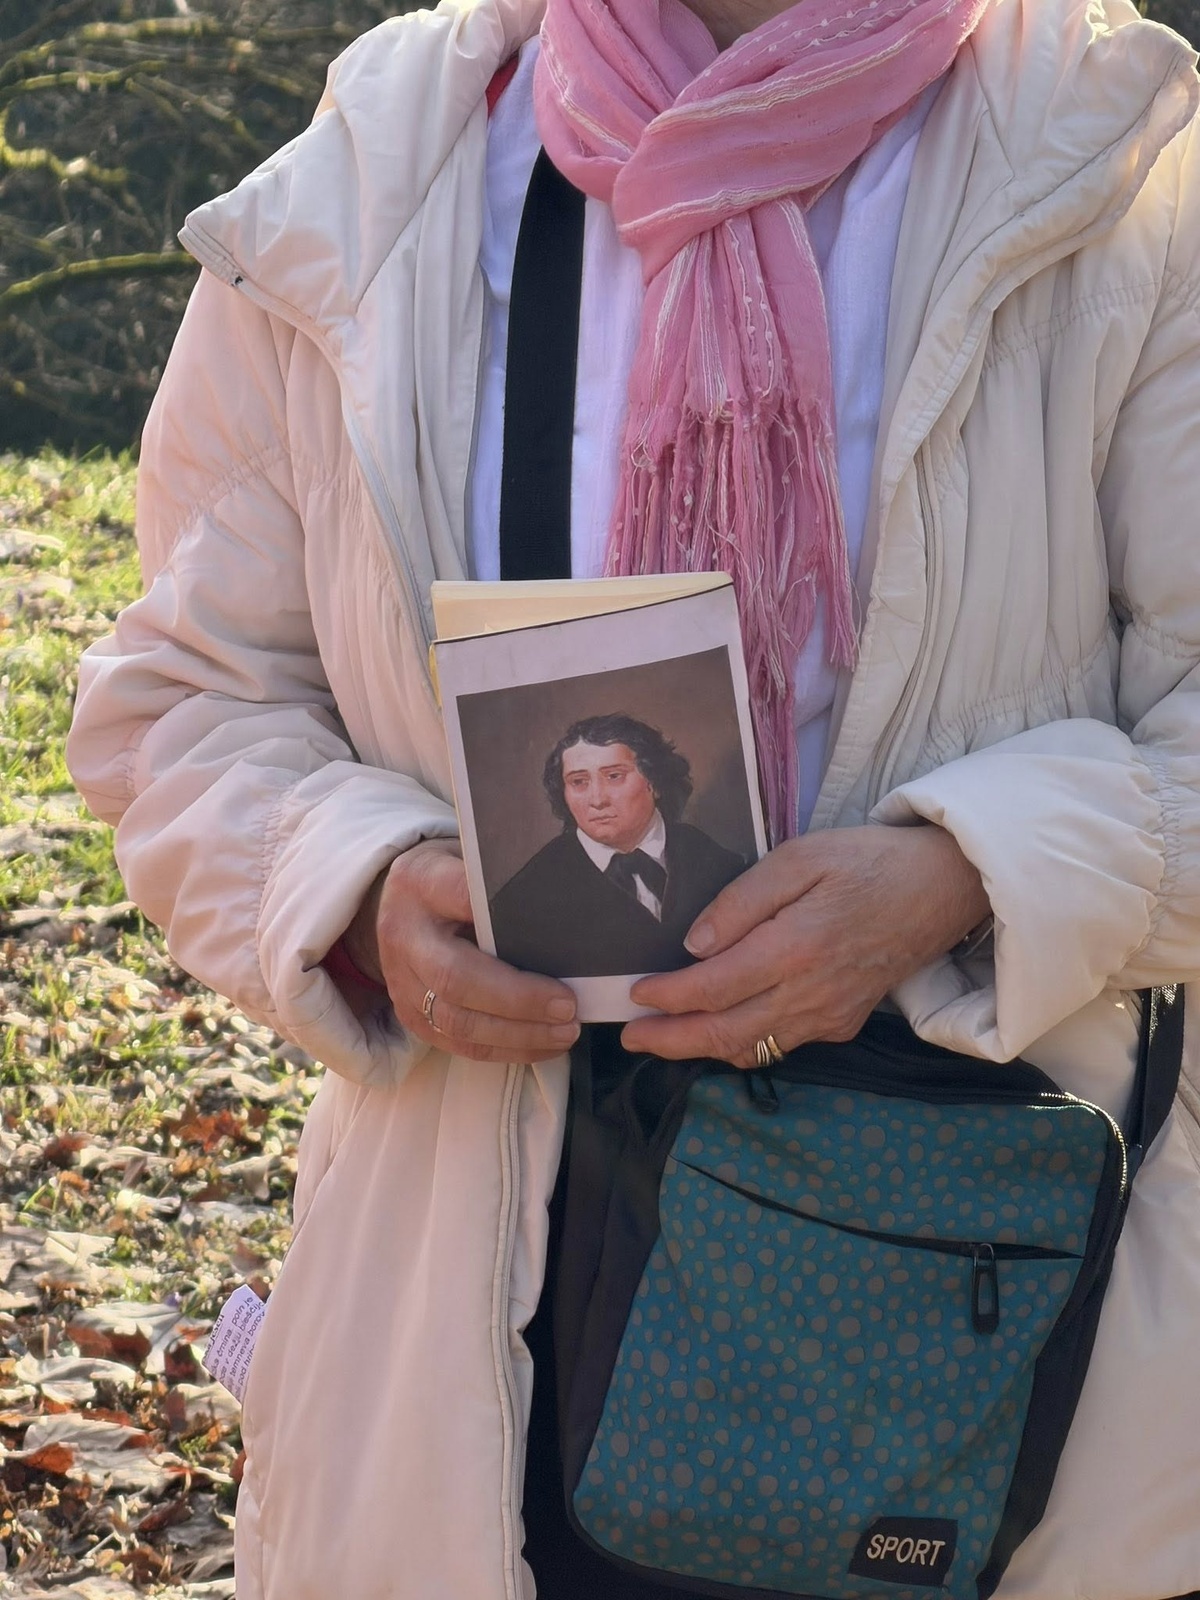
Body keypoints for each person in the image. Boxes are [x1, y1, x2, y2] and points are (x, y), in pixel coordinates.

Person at [64, 0, 1200, 1595]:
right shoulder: (375, 180)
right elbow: (187, 694)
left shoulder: (1121, 162)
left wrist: (965, 876)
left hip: (977, 1294)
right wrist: (359, 888)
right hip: (481, 1315)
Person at [487, 714, 747, 978]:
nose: (597, 800)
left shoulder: (719, 861)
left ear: (654, 782)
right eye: (579, 782)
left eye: (613, 776)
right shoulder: (521, 902)